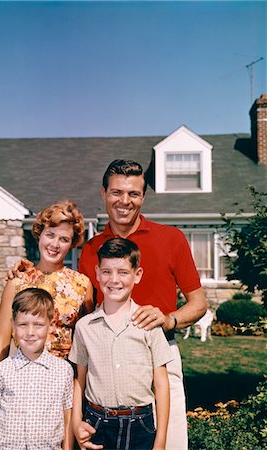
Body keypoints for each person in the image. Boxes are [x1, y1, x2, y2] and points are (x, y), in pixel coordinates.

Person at [78, 159, 208, 449]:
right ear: (103, 193)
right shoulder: (90, 250)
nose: (125, 201)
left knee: (169, 443)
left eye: (133, 194)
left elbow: (198, 303)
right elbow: (81, 309)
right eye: (117, 192)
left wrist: (168, 319)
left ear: (143, 197)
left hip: (161, 353)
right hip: (106, 360)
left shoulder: (171, 238)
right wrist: (27, 273)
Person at [69, 238, 172, 450]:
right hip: (96, 424)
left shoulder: (149, 324)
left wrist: (160, 441)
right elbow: (79, 381)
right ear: (97, 273)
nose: (114, 279)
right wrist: (76, 423)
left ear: (137, 275)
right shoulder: (84, 327)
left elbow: (161, 385)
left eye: (123, 272)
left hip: (140, 425)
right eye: (106, 272)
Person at [0, 200, 94, 371]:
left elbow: (86, 345)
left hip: (64, 379)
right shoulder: (18, 282)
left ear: (72, 243)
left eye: (64, 239)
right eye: (50, 235)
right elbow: (1, 342)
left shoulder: (82, 285)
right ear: (40, 234)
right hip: (23, 375)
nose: (55, 244)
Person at [0, 287, 74, 450]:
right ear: (13, 326)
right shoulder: (2, 370)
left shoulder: (63, 371)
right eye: (23, 324)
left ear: (50, 326)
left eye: (38, 325)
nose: (30, 332)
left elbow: (67, 419)